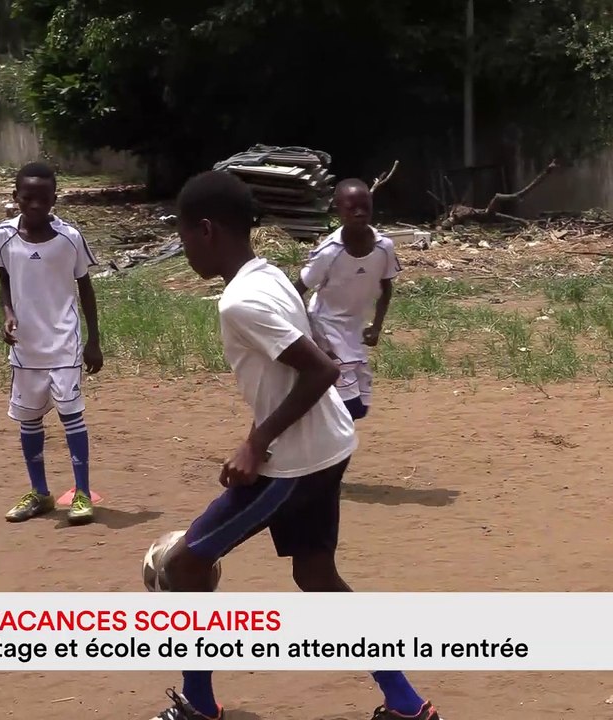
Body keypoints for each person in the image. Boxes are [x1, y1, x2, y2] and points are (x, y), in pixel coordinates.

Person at [151, 170, 441, 720]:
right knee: (316, 576)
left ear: (207, 230)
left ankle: (198, 704)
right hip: (329, 445)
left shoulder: (239, 302)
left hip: (294, 463)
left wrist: (255, 442)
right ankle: (405, 704)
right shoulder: (270, 276)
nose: (184, 246)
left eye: (185, 235)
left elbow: (322, 370)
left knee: (184, 568)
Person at [0, 161, 102, 525]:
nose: (35, 205)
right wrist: (7, 314)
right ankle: (40, 493)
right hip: (25, 347)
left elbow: (85, 288)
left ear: (55, 199)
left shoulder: (70, 239)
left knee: (71, 417)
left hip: (63, 343)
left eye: (44, 198)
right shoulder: (2, 235)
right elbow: (5, 279)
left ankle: (82, 495)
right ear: (15, 197)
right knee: (29, 419)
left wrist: (94, 339)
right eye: (27, 197)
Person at [293, 178, 398, 421]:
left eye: (365, 207)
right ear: (338, 210)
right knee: (348, 407)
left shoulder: (385, 247)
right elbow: (298, 289)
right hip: (326, 328)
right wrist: (307, 332)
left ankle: (310, 416)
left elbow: (386, 286)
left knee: (360, 409)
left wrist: (377, 326)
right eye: (352, 208)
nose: (360, 213)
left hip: (355, 329)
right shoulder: (329, 251)